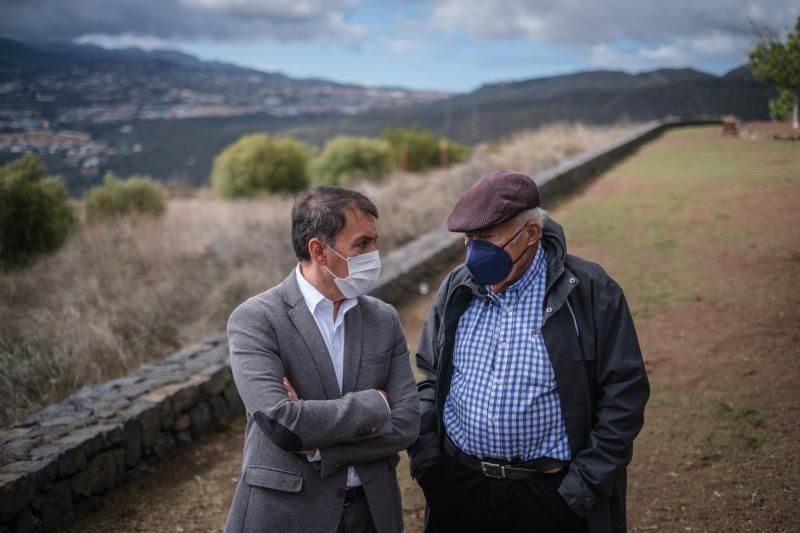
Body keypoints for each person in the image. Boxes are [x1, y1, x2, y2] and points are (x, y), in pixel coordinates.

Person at [409, 170, 649, 533]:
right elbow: (429, 377)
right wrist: (430, 467)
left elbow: (624, 397)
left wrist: (576, 493)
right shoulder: (456, 288)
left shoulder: (590, 290)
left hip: (551, 494)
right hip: (460, 487)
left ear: (532, 234)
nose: (475, 252)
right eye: (469, 239)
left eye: (487, 238)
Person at [224, 186, 420, 533]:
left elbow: (407, 423)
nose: (373, 254)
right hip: (288, 514)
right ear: (319, 250)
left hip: (373, 514)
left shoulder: (383, 318)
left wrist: (318, 449)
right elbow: (283, 424)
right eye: (361, 244)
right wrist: (377, 405)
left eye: (375, 241)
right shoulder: (256, 319)